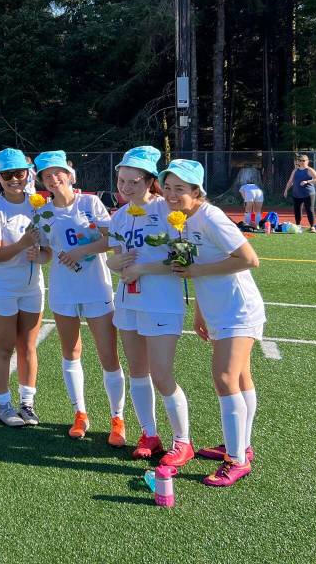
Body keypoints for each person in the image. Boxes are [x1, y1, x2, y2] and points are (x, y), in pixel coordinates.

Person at [159, 159, 265, 487]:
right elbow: (192, 267)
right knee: (240, 377)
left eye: (180, 188)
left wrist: (197, 271)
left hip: (239, 309)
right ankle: (241, 446)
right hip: (217, 309)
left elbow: (249, 259)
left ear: (196, 191)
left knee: (224, 377)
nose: (171, 194)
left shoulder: (211, 216)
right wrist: (200, 311)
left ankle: (236, 460)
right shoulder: (180, 220)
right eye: (167, 187)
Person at [106, 146, 192, 468]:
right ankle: (149, 434)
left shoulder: (168, 210)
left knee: (162, 374)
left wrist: (143, 268)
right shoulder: (119, 216)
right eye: (121, 181)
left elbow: (183, 259)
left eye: (134, 182)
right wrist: (115, 263)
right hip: (128, 301)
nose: (126, 188)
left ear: (149, 181)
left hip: (162, 304)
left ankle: (182, 441)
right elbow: (115, 258)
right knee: (137, 372)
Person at [35, 150, 127, 446]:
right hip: (63, 290)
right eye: (47, 175)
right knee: (71, 351)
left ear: (69, 174)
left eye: (57, 173)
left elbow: (111, 240)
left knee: (108, 355)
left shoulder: (89, 203)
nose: (53, 179)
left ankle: (117, 418)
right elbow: (47, 254)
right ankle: (80, 413)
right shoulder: (43, 213)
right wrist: (36, 254)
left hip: (96, 287)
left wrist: (81, 251)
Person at [0, 148, 52, 427]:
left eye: (18, 173)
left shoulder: (38, 206)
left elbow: (47, 253)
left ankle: (27, 404)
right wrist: (22, 245)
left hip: (32, 288)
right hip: (1, 289)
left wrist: (39, 255)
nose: (14, 179)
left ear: (28, 174)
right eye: (7, 175)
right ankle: (3, 405)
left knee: (28, 347)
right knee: (3, 349)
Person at [283, 154, 316, 230]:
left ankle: (312, 227)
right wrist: (286, 190)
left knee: (309, 210)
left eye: (303, 160)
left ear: (307, 161)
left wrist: (307, 181)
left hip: (308, 194)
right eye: (300, 160)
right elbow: (290, 181)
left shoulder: (309, 170)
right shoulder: (295, 170)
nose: (301, 162)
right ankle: (298, 226)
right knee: (297, 210)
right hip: (297, 194)